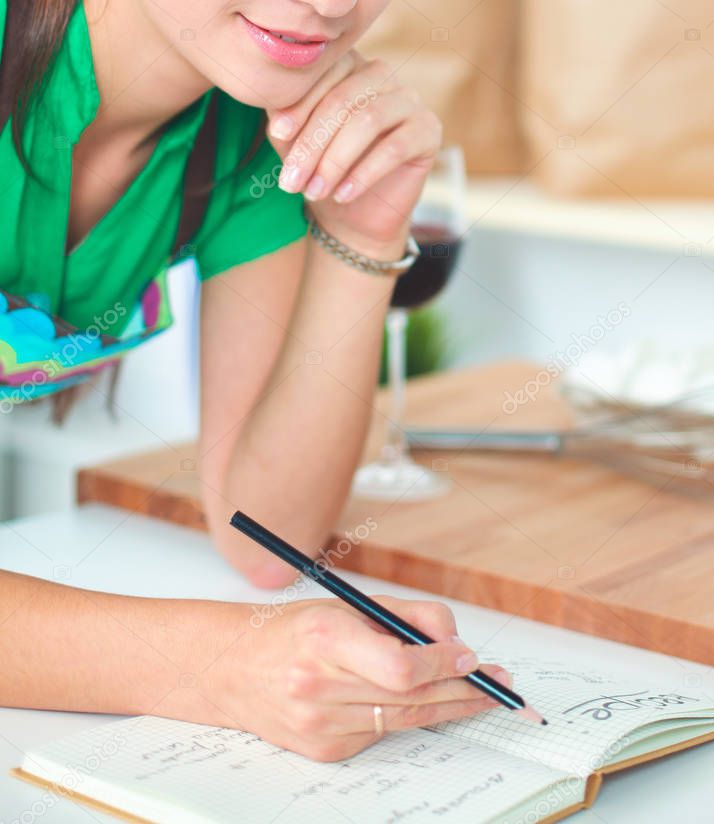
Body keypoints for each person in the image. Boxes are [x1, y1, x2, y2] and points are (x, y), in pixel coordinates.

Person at [0, 0, 510, 762]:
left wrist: (361, 231)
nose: (335, 5)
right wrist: (220, 668)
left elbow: (267, 536)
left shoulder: (251, 132)